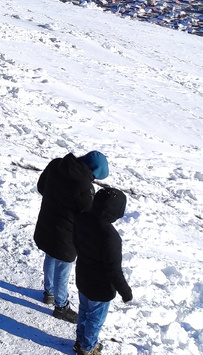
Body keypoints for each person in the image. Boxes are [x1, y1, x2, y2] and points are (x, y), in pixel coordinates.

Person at [34, 150, 109, 323]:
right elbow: (87, 217)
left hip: (46, 223)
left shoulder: (56, 164)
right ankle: (61, 307)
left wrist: (55, 201)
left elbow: (41, 187)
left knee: (50, 256)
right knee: (63, 269)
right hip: (66, 237)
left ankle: (49, 293)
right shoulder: (84, 187)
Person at [73, 187, 133, 355]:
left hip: (83, 277)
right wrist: (125, 292)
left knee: (84, 311)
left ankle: (80, 340)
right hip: (100, 288)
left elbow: (76, 242)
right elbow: (113, 270)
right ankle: (88, 348)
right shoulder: (110, 237)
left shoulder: (82, 217)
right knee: (95, 319)